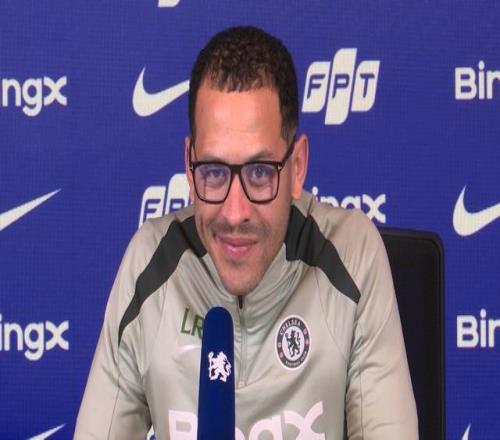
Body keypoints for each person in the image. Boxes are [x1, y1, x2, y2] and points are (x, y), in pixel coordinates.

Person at [75, 26, 418, 439]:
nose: (235, 213)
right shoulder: (149, 264)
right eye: (214, 172)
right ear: (189, 168)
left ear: (297, 167)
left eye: (259, 173)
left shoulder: (352, 254)